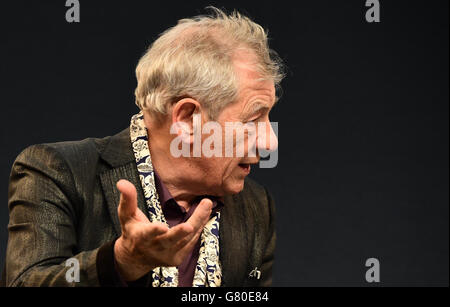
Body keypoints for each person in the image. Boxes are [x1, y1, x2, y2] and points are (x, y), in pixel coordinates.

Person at [4, 7, 284, 287]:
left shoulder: (256, 205)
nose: (270, 141)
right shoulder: (58, 172)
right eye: (253, 119)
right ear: (187, 119)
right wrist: (120, 263)